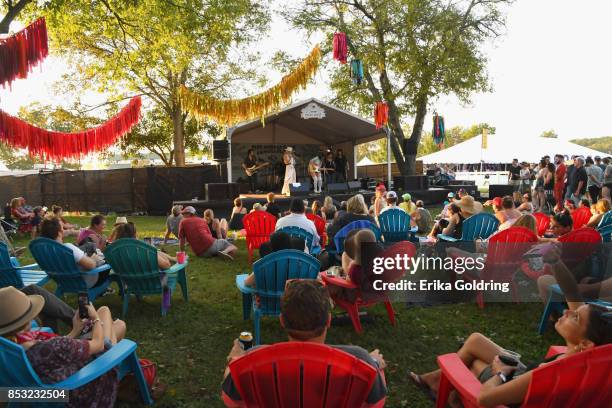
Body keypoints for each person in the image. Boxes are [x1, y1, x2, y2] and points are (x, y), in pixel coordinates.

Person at [410, 244, 612, 407]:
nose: (567, 311)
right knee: (476, 340)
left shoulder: (550, 373)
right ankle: (441, 386)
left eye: (574, 317)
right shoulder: (594, 359)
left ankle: (446, 391)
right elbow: (573, 293)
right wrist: (555, 261)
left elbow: (486, 399)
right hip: (527, 381)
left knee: (473, 362)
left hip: (511, 388)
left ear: (585, 344)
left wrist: (501, 373)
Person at [222, 280, 387, 406]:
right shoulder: (359, 359)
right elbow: (376, 402)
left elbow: (230, 399)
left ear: (282, 321)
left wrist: (234, 359)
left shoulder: (253, 358)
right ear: (328, 321)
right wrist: (374, 364)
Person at [0, 286, 126, 407]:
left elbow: (56, 351)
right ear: (27, 321)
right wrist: (95, 318)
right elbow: (98, 346)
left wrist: (75, 331)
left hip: (38, 392)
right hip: (75, 390)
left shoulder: (11, 346)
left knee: (111, 322)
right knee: (116, 322)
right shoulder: (51, 347)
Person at [40, 217, 108, 289]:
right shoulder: (68, 249)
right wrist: (93, 258)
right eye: (63, 228)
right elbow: (91, 265)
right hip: (85, 281)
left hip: (62, 282)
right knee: (106, 262)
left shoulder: (44, 250)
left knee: (89, 247)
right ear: (60, 233)